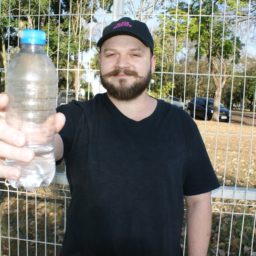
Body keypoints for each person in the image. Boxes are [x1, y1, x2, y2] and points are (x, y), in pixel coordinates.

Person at [0, 17, 219, 256]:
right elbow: (49, 138)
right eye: (111, 54)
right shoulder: (77, 116)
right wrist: (21, 140)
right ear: (99, 62)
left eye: (134, 54)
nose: (122, 63)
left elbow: (199, 201)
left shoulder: (181, 124)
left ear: (152, 62)